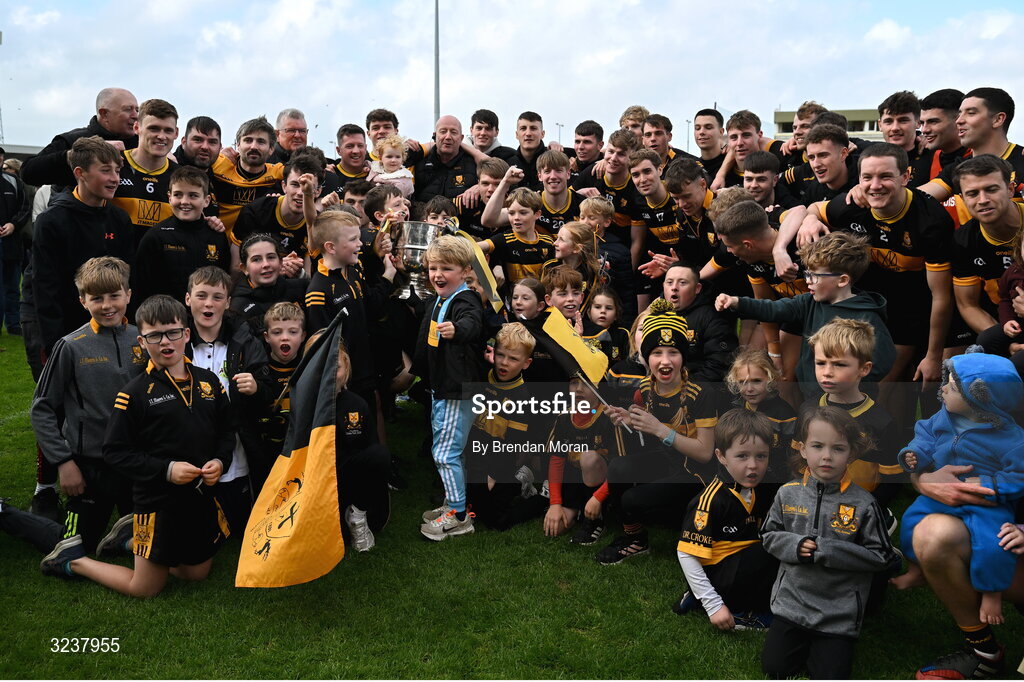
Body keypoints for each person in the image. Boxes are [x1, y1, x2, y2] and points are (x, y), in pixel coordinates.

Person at [40, 295, 234, 598]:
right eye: (155, 336)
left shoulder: (209, 382)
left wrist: (221, 461)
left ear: (186, 334)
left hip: (200, 497)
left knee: (196, 574)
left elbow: (226, 431)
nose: (165, 342)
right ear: (142, 342)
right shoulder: (134, 394)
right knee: (145, 588)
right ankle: (74, 560)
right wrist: (166, 470)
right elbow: (115, 452)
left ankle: (127, 543)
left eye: (172, 332)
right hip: (158, 501)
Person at [760, 406, 900, 680]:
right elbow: (768, 535)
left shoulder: (864, 504)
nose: (826, 456)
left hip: (838, 614)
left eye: (838, 448)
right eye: (817, 446)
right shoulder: (787, 494)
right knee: (775, 668)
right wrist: (795, 546)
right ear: (802, 449)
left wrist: (828, 550)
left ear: (852, 453)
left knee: (830, 675)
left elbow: (882, 557)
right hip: (792, 605)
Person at [21, 257, 145, 557]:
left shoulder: (144, 338)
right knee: (74, 547)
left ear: (128, 295)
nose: (107, 305)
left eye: (115, 296)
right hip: (89, 465)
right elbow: (42, 408)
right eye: (96, 298)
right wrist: (64, 463)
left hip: (135, 461)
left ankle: (119, 538)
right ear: (82, 301)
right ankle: (6, 515)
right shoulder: (71, 346)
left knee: (153, 538)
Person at [895, 349, 1024, 626]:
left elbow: (1019, 475)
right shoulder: (945, 416)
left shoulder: (1012, 440)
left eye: (952, 388)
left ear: (978, 400)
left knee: (994, 543)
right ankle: (916, 567)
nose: (942, 390)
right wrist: (916, 457)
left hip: (987, 503)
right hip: (942, 496)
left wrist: (990, 485)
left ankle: (992, 593)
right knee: (910, 522)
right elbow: (925, 434)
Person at [599, 300, 718, 565]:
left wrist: (661, 430)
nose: (665, 361)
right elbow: (652, 425)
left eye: (673, 352)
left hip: (697, 473)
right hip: (668, 459)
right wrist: (628, 418)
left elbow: (706, 453)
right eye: (657, 353)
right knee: (618, 468)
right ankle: (635, 540)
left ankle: (685, 525)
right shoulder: (646, 385)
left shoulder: (702, 393)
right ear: (646, 357)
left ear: (683, 356)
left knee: (632, 499)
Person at [716, 231, 896, 389]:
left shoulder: (867, 316)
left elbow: (883, 361)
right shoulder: (809, 302)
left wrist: (848, 385)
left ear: (842, 280)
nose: (807, 280)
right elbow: (774, 309)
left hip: (848, 402)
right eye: (807, 273)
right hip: (811, 397)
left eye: (814, 276)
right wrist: (736, 302)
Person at [674, 408, 779, 631]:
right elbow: (685, 553)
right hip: (722, 574)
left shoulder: (764, 485)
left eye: (761, 456)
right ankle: (739, 613)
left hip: (740, 564)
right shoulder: (711, 499)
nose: (753, 465)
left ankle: (696, 596)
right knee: (772, 551)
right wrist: (713, 605)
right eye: (742, 456)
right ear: (721, 456)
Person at [184, 266, 270, 534]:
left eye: (217, 297)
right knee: (195, 526)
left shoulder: (244, 339)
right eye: (201, 295)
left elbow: (267, 388)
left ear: (228, 302)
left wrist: (256, 387)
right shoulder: (177, 340)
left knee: (237, 527)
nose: (209, 303)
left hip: (235, 446)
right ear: (188, 299)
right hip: (188, 444)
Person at [413, 235, 486, 540]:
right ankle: (452, 503)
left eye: (447, 268)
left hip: (458, 390)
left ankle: (458, 516)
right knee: (449, 449)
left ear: (465, 271)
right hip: (442, 387)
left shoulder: (465, 299)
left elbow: (472, 322)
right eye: (433, 268)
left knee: (445, 452)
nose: (438, 274)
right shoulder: (439, 299)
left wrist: (459, 330)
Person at [803, 319, 901, 508]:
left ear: (864, 369)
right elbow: (798, 465)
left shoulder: (881, 422)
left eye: (839, 365)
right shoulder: (808, 409)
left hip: (857, 510)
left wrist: (868, 511)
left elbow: (892, 481)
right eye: (821, 363)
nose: (827, 372)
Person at [464, 323, 545, 530]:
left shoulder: (522, 397)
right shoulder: (483, 375)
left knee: (495, 521)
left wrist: (494, 475)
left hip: (502, 462)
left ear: (526, 363)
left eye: (513, 359)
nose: (504, 363)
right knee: (473, 508)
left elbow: (512, 445)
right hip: (476, 457)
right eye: (501, 355)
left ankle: (535, 496)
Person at [543, 375, 626, 544]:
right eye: (574, 383)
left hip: (604, 487)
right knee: (554, 529)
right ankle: (579, 511)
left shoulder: (609, 417)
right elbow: (556, 463)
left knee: (588, 457)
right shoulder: (563, 417)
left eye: (587, 384)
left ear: (598, 389)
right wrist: (555, 504)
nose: (579, 389)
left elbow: (621, 468)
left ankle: (596, 519)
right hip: (574, 483)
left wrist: (598, 497)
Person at [131, 166, 231, 305]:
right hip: (166, 319)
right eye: (178, 194)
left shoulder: (217, 236)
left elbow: (224, 282)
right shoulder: (155, 237)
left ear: (207, 200)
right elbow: (141, 287)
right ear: (169, 198)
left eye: (193, 195)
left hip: (205, 316)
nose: (184, 201)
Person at [21, 87, 139, 192]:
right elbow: (28, 172)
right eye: (128, 109)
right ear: (104, 114)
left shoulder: (143, 145)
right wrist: (78, 155)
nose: (135, 115)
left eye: (137, 110)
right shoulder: (72, 140)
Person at [333, 344, 392, 552]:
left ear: (347, 368)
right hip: (319, 480)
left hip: (350, 475)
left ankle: (357, 515)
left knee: (380, 455)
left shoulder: (357, 404)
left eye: (337, 367)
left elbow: (371, 449)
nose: (331, 374)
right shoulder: (305, 402)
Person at [229, 152, 322, 275]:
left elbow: (310, 278)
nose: (300, 192)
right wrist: (276, 268)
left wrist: (299, 274)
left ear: (318, 191)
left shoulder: (318, 223)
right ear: (284, 186)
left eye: (308, 186)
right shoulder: (255, 211)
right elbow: (235, 268)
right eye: (295, 184)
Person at [249, 301, 306, 491]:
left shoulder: (309, 369)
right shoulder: (259, 372)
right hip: (267, 455)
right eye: (277, 332)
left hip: (301, 452)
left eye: (292, 332)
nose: (285, 338)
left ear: (303, 335)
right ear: (266, 336)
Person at [110, 98, 181, 243]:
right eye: (153, 128)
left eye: (168, 130)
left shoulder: (181, 177)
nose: (161, 136)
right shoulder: (113, 165)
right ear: (137, 128)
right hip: (113, 261)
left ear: (176, 133)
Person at [724, 348, 797, 487]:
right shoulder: (735, 407)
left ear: (770, 379)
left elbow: (793, 458)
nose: (749, 389)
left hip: (775, 482)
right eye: (742, 382)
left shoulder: (785, 415)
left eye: (757, 381)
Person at [210, 116, 285, 232]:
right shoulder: (218, 164)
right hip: (216, 244)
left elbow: (307, 172)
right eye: (248, 140)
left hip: (255, 247)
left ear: (271, 149)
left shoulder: (278, 173)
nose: (254, 146)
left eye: (261, 142)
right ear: (238, 145)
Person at [478, 186, 554, 292]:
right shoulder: (504, 239)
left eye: (523, 213)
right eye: (511, 213)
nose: (516, 218)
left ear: (537, 214)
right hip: (514, 303)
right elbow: (475, 248)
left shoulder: (548, 243)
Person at [230, 234, 306, 334]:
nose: (266, 264)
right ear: (244, 268)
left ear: (280, 262)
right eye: (256, 259)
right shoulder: (238, 308)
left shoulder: (301, 289)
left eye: (271, 257)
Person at [580, 194, 637, 323]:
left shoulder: (620, 251)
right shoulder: (571, 245)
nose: (585, 222)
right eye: (582, 217)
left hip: (607, 315)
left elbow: (627, 293)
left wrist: (627, 325)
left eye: (591, 218)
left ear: (607, 222)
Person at [412, 115, 478, 202]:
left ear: (461, 138)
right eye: (443, 132)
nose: (448, 137)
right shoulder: (418, 163)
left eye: (453, 132)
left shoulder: (474, 164)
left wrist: (481, 187)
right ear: (435, 136)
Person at [367, 133, 414, 199]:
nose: (393, 160)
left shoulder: (404, 179)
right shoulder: (376, 169)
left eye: (397, 157)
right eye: (389, 157)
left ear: (402, 159)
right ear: (380, 158)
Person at [693, 108, 727, 179]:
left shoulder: (732, 163)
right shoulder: (692, 168)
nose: (701, 132)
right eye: (697, 128)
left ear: (721, 132)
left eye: (708, 127)